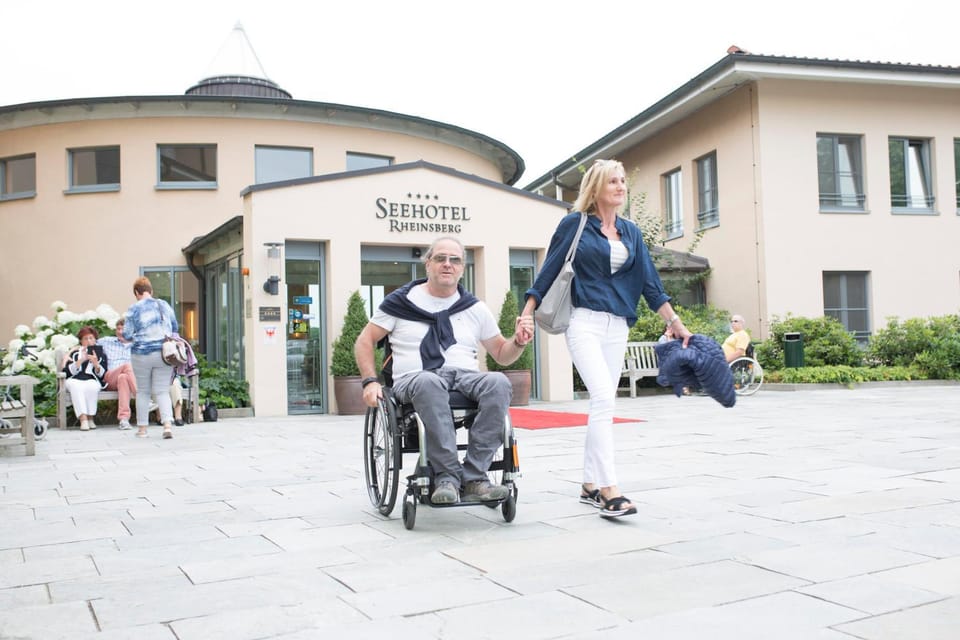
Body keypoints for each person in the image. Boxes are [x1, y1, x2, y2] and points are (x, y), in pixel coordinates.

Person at [521, 159, 692, 519]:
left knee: (603, 401)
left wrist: (675, 322)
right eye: (613, 181)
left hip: (618, 326)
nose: (620, 187)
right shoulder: (575, 225)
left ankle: (588, 484)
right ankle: (609, 490)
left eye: (622, 181)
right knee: (602, 398)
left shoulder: (631, 232)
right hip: (583, 321)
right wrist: (527, 312)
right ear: (596, 188)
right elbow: (549, 270)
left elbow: (649, 283)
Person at [354, 236, 534, 505]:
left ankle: (474, 478)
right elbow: (364, 341)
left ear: (462, 268)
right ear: (428, 264)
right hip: (414, 379)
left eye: (455, 260)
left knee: (498, 382)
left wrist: (518, 342)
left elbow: (501, 354)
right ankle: (447, 476)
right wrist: (370, 381)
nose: (447, 264)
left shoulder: (474, 307)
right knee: (429, 382)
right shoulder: (400, 302)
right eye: (440, 258)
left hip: (464, 377)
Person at [123, 276, 178, 439]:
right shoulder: (164, 305)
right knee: (162, 391)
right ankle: (167, 426)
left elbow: (126, 334)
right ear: (151, 291)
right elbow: (174, 327)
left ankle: (142, 430)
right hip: (164, 353)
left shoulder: (133, 308)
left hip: (141, 354)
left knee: (143, 392)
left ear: (136, 292)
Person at [61, 326, 108, 431]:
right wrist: (81, 360)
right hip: (74, 379)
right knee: (76, 387)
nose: (88, 341)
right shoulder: (74, 353)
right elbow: (65, 372)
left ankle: (90, 418)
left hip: (91, 379)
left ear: (95, 340)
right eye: (85, 338)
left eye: (91, 338)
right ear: (81, 341)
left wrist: (96, 364)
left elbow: (102, 375)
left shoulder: (101, 354)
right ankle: (83, 420)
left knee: (93, 386)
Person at [97, 318, 137, 430]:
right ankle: (141, 399)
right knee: (127, 366)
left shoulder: (137, 345)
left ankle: (124, 420)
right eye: (118, 329)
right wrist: (70, 352)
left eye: (123, 329)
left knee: (123, 378)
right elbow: (87, 343)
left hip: (127, 379)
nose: (120, 332)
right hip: (110, 378)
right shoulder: (107, 341)